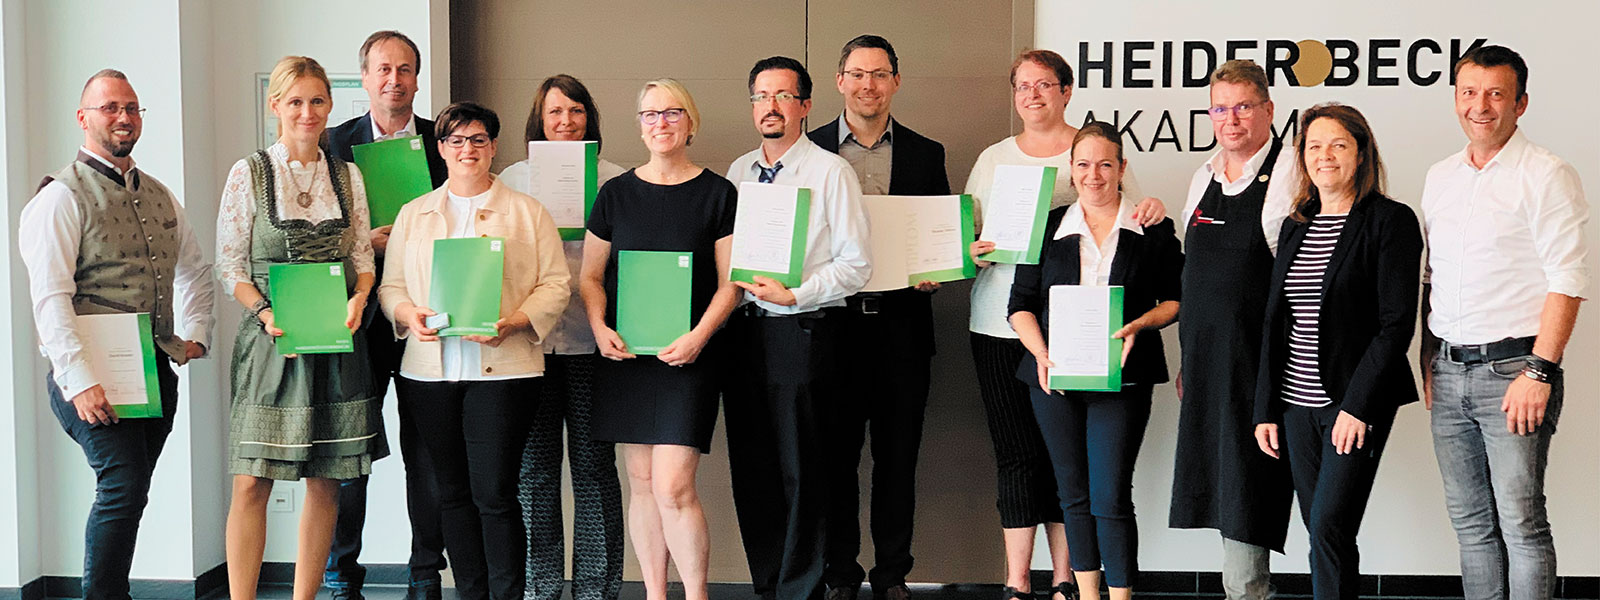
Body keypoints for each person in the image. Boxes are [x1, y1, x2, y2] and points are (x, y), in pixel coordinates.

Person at [963, 49, 1162, 600]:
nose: (1033, 94)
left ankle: (1067, 580)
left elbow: (1141, 223)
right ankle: (1018, 581)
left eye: (1044, 84)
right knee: (1021, 456)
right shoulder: (994, 158)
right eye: (1022, 85)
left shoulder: (1094, 150)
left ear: (1066, 91)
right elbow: (965, 233)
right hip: (1006, 328)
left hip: (1092, 344)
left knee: (1076, 473)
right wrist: (970, 250)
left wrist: (1155, 211)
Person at [19, 68, 215, 600]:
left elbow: (196, 268)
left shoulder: (159, 194)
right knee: (122, 486)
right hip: (89, 377)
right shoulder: (59, 197)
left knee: (132, 491)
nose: (123, 117)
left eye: (131, 107)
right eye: (110, 107)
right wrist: (78, 380)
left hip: (154, 371)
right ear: (83, 118)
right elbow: (50, 298)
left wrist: (195, 330)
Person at [378, 102, 570, 600]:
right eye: (456, 140)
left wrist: (516, 321)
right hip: (429, 374)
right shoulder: (413, 213)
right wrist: (407, 315)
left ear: (493, 146)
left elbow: (555, 284)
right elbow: (391, 287)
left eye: (478, 140)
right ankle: (470, 593)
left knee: (496, 495)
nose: (468, 150)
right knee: (451, 494)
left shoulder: (528, 212)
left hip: (503, 374)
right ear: (440, 148)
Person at [1420, 45, 1589, 600]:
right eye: (1469, 92)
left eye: (1496, 94)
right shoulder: (1440, 177)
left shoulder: (1547, 174)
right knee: (1470, 526)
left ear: (1520, 103)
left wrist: (1539, 371)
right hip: (1448, 372)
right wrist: (1427, 361)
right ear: (1455, 99)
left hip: (1515, 372)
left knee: (1521, 524)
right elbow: (1433, 278)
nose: (1481, 106)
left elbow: (1568, 279)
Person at [217, 56, 388, 600]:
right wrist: (267, 315)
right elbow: (231, 268)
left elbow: (363, 255)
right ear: (275, 107)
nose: (307, 112)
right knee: (250, 481)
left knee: (327, 479)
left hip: (338, 338)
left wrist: (361, 298)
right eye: (295, 101)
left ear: (331, 105)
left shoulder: (347, 174)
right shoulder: (248, 172)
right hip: (272, 342)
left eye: (317, 101)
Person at [1250, 104, 1422, 600]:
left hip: (1352, 403)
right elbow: (1275, 322)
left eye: (1338, 145)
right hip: (1295, 405)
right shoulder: (1294, 225)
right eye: (1314, 146)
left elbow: (1395, 326)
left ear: (1362, 153)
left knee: (1329, 524)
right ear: (1302, 158)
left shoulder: (1390, 221)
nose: (1324, 156)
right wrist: (1266, 408)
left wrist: (1357, 406)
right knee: (1322, 529)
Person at [1007, 122, 1182, 600]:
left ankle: (1121, 596)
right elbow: (1019, 303)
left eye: (1106, 163)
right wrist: (1041, 353)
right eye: (1083, 164)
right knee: (1072, 495)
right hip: (1053, 378)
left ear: (1122, 168)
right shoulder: (1048, 227)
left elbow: (1175, 300)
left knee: (1110, 497)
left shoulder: (1152, 228)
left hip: (1124, 376)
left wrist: (1140, 324)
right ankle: (1086, 594)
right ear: (1071, 169)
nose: (1094, 174)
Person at [579, 78, 739, 600]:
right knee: (642, 482)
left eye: (672, 113)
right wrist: (600, 326)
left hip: (688, 357)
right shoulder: (615, 193)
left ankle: (695, 595)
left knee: (673, 485)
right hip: (627, 356)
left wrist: (698, 337)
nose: (661, 123)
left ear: (690, 122)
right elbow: (591, 275)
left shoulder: (718, 193)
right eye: (650, 114)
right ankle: (654, 593)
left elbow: (730, 283)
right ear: (639, 125)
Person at [804, 34, 948, 600]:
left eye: (880, 74)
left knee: (897, 461)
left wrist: (940, 264)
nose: (869, 85)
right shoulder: (809, 150)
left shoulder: (925, 153)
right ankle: (841, 573)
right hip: (831, 327)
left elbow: (938, 231)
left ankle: (892, 575)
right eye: (858, 74)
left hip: (902, 329)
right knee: (833, 460)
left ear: (895, 82)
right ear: (840, 81)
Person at [724, 56, 871, 600]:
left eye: (784, 96)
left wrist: (797, 293)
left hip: (805, 330)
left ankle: (802, 587)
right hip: (745, 335)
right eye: (762, 96)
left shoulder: (831, 171)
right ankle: (768, 581)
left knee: (802, 469)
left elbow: (857, 265)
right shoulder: (738, 172)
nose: (771, 106)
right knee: (754, 466)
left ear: (805, 107)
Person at [322, 30, 449, 600]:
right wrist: (360, 242)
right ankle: (340, 572)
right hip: (354, 318)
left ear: (417, 79)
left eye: (404, 69)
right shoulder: (331, 144)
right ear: (365, 78)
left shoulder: (444, 142)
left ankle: (425, 572)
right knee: (351, 452)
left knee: (427, 451)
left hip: (426, 316)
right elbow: (313, 234)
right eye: (382, 69)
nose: (393, 79)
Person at [1170, 59, 1298, 600]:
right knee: (1221, 487)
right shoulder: (1203, 176)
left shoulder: (1293, 172)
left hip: (1259, 363)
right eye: (1221, 108)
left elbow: (1298, 283)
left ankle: (1249, 592)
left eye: (1244, 106)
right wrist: (1188, 361)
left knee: (1250, 490)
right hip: (1205, 365)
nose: (1232, 119)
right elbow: (1193, 277)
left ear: (1269, 110)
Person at [500, 74, 626, 600]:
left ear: (589, 119)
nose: (566, 121)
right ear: (539, 120)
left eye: (575, 111)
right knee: (534, 473)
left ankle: (598, 590)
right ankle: (541, 589)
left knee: (595, 470)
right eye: (555, 112)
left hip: (594, 342)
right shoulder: (512, 177)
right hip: (529, 344)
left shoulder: (617, 179)